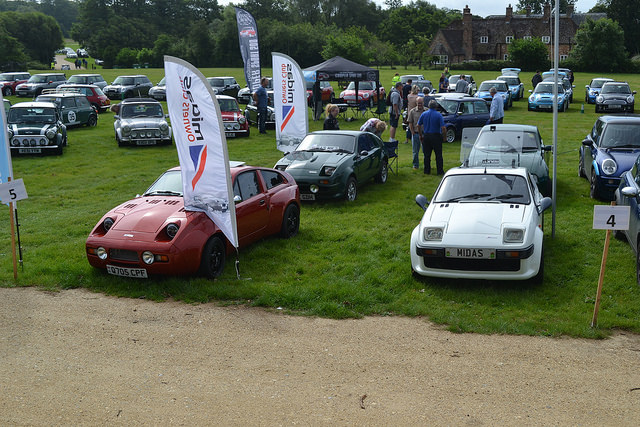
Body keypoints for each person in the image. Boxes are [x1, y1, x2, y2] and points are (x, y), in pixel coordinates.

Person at [417, 99, 446, 175]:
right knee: (438, 155)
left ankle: (427, 171)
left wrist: (420, 135)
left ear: (429, 106)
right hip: (436, 135)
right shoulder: (438, 115)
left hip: (426, 136)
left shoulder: (424, 114)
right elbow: (443, 128)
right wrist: (444, 137)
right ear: (436, 106)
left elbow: (418, 125)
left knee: (427, 155)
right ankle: (440, 171)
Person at [407, 97, 426, 170]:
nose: (420, 104)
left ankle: (426, 165)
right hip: (416, 133)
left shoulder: (426, 111)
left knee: (426, 151)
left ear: (423, 102)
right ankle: (415, 165)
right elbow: (410, 122)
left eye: (421, 103)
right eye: (418, 103)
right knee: (415, 151)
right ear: (416, 103)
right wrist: (412, 132)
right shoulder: (412, 111)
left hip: (425, 134)